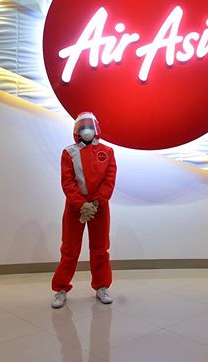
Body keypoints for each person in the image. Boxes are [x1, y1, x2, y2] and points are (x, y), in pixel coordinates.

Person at [51, 112, 117, 308]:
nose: (86, 130)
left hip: (100, 208)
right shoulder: (68, 152)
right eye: (82, 127)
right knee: (69, 249)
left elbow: (109, 181)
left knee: (100, 249)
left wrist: (95, 204)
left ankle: (101, 287)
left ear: (96, 128)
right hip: (75, 208)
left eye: (90, 126)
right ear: (77, 130)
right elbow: (67, 182)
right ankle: (60, 289)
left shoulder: (108, 151)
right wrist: (81, 204)